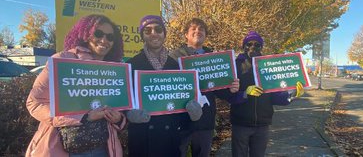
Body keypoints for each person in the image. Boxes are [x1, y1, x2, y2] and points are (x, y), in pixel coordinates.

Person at [25, 14, 127, 157]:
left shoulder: (116, 69)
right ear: (85, 34)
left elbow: (120, 108)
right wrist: (82, 117)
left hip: (104, 148)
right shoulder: (62, 60)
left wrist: (118, 119)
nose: (104, 40)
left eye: (110, 37)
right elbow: (34, 103)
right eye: (98, 34)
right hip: (62, 146)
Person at [125, 15, 203, 157]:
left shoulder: (175, 66)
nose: (154, 33)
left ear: (164, 33)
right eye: (148, 31)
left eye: (158, 29)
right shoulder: (131, 65)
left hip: (170, 142)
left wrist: (193, 115)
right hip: (142, 142)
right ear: (142, 35)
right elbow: (122, 103)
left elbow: (180, 108)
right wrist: (129, 114)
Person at [171, 18, 239, 157]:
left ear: (205, 34)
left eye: (201, 29)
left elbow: (219, 90)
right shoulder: (173, 57)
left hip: (205, 120)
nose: (198, 31)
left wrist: (231, 89)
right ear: (186, 34)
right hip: (180, 120)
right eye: (193, 29)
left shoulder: (214, 57)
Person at [228, 31, 301, 157]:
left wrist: (292, 94)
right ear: (243, 46)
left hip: (262, 125)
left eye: (257, 45)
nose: (253, 47)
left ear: (261, 47)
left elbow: (276, 97)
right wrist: (244, 94)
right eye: (249, 44)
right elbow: (228, 96)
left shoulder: (268, 66)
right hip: (240, 123)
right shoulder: (235, 66)